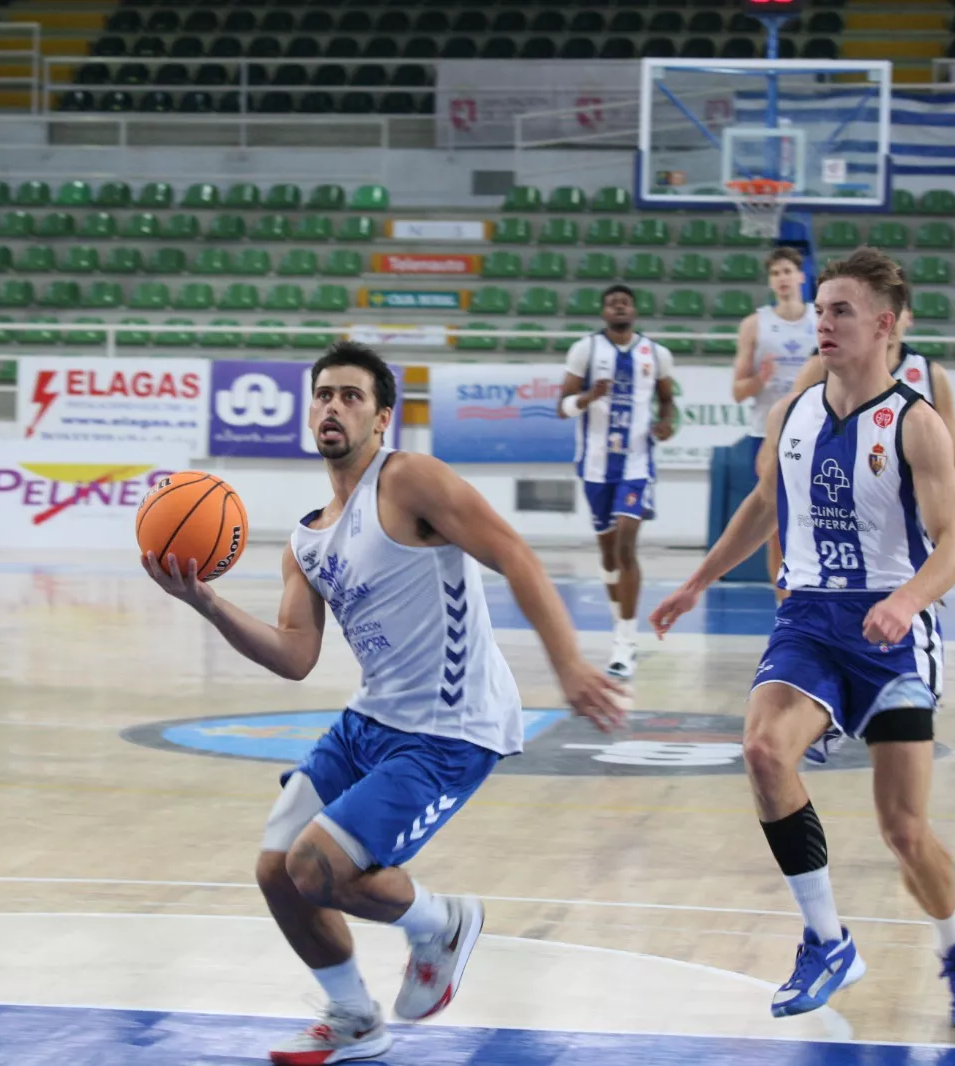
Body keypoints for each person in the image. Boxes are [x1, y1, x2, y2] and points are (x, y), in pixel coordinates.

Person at [142, 341, 626, 1065]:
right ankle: (353, 1016)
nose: (332, 406)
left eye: (351, 396)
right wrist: (206, 602)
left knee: (318, 867)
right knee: (277, 872)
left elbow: (515, 554)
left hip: (450, 730)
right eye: (323, 395)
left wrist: (569, 664)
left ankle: (443, 922)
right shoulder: (307, 540)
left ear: (382, 417)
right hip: (370, 721)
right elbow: (295, 657)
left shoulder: (409, 483)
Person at [649, 249, 955, 1030]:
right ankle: (826, 939)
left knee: (903, 830)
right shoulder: (792, 413)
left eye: (840, 310)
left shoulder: (917, 424)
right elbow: (764, 506)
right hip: (809, 617)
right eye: (819, 309)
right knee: (765, 750)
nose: (822, 322)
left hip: (892, 633)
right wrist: (696, 581)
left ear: (884, 325)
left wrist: (908, 600)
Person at [556, 283, 675, 679]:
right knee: (608, 555)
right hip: (594, 467)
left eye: (625, 302)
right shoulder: (585, 350)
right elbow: (563, 407)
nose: (619, 307)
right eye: (612, 302)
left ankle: (625, 641)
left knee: (626, 545)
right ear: (604, 312)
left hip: (637, 465)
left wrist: (666, 424)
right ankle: (618, 617)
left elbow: (667, 401)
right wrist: (590, 397)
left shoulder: (656, 354)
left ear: (635, 310)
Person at [789, 290, 955, 506]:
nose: (891, 319)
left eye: (897, 311)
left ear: (909, 317)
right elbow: (779, 461)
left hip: (905, 527)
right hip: (832, 514)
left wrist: (952, 529)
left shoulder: (931, 375)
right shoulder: (820, 368)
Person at [732, 248, 817, 595]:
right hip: (770, 436)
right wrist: (759, 380)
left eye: (787, 271)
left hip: (817, 433)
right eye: (775, 273)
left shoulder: (822, 317)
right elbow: (738, 391)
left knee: (819, 527)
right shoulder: (755, 325)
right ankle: (785, 610)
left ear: (801, 276)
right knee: (778, 530)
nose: (782, 278)